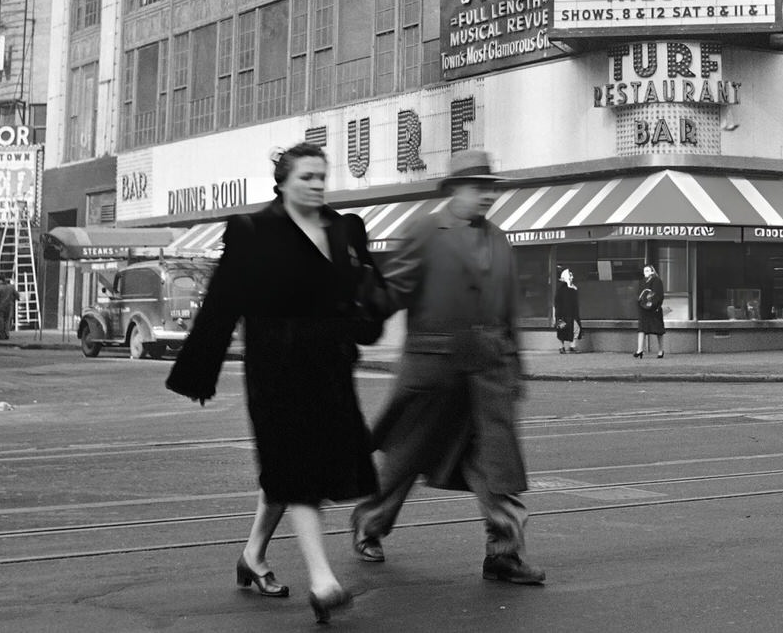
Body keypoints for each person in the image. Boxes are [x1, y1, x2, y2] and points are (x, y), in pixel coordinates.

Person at [167, 142, 380, 624]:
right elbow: (223, 301)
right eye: (307, 176)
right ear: (283, 181)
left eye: (322, 176)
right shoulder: (254, 231)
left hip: (328, 370)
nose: (318, 184)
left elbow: (358, 294)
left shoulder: (340, 228)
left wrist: (368, 318)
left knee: (287, 470)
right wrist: (199, 371)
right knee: (299, 471)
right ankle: (323, 581)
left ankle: (253, 556)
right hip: (276, 370)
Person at [351, 149, 545, 586]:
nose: (487, 198)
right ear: (455, 189)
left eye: (490, 190)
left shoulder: (498, 238)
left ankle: (504, 554)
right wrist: (358, 317)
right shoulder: (424, 229)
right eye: (479, 189)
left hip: (488, 373)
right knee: (404, 459)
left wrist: (515, 365)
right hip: (433, 373)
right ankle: (370, 524)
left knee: (496, 467)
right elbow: (394, 288)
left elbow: (509, 308)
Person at [635, 263, 665, 359]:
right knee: (641, 329)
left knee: (658, 331)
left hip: (654, 309)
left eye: (647, 270)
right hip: (644, 309)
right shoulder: (642, 281)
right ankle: (639, 350)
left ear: (652, 271)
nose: (646, 273)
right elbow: (639, 294)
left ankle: (661, 350)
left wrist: (654, 304)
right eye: (644, 271)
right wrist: (641, 302)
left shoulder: (657, 280)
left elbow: (659, 294)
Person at [553, 268, 581, 353]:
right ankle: (570, 346)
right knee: (571, 328)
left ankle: (564, 347)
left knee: (563, 329)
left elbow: (556, 302)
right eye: (570, 275)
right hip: (566, 314)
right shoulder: (567, 289)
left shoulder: (562, 289)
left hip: (562, 314)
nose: (572, 277)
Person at [0, 275, 18, 341]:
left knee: (0, 321)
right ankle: (7, 334)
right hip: (9, 306)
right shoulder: (11, 287)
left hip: (0, 306)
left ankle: (2, 335)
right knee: (7, 321)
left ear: (0, 280)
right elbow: (17, 295)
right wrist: (13, 300)